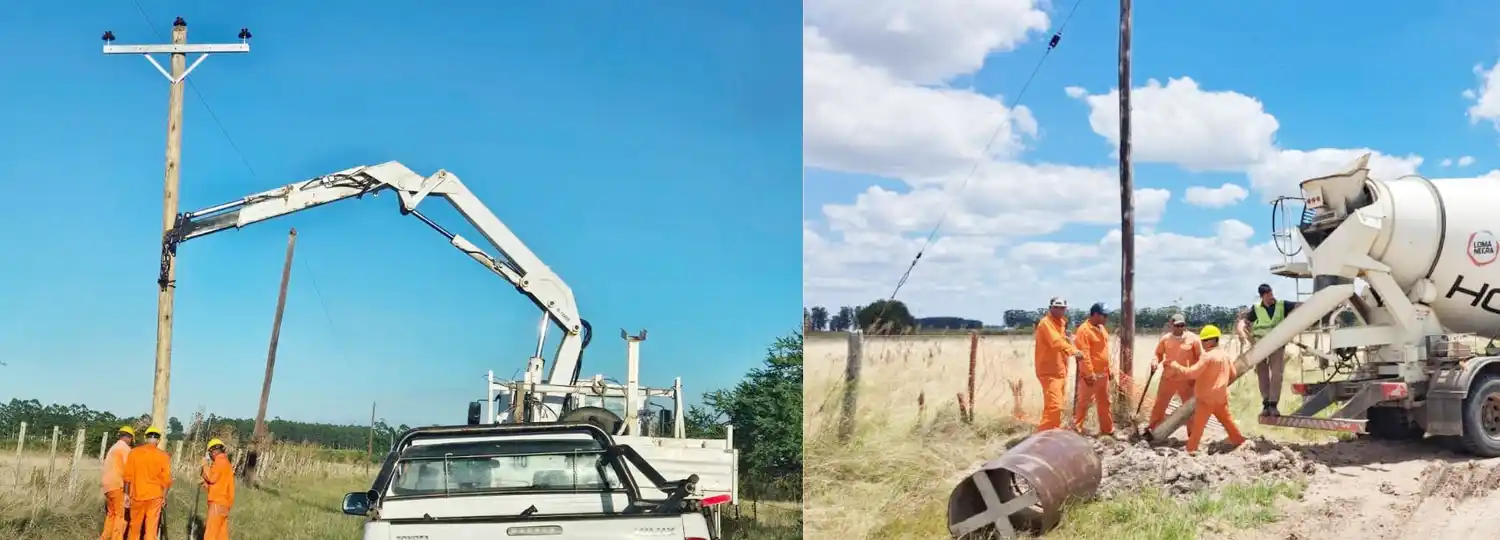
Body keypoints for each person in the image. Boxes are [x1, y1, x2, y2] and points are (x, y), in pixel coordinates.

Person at [1167, 324, 1247, 453]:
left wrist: (1176, 366)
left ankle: (1191, 449)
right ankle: (1239, 440)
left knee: (1198, 426)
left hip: (1206, 398)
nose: (1202, 343)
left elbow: (1192, 373)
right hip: (1221, 397)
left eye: (1204, 340)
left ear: (1212, 340)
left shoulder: (1207, 356)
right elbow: (1233, 374)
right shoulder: (1225, 356)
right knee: (1227, 421)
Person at [1236, 283, 1301, 417]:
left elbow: (1299, 306)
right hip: (1260, 346)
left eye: (1272, 294)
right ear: (1262, 296)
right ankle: (1266, 404)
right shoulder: (1257, 309)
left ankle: (1273, 404)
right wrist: (1241, 332)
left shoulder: (1282, 305)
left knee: (1277, 374)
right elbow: (1243, 322)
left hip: (1277, 345)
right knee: (1262, 375)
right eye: (1269, 295)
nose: (1272, 297)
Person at [1146, 314, 1202, 437]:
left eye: (1182, 325)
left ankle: (1193, 434)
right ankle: (1153, 430)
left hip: (1186, 379)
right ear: (1171, 325)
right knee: (1160, 405)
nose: (1180, 328)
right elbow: (1158, 354)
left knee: (1189, 408)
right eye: (1177, 325)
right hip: (1168, 378)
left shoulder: (1193, 339)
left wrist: (1196, 376)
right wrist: (1155, 361)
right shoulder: (1165, 339)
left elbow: (1200, 358)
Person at [1034, 297, 1085, 431]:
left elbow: (1063, 341)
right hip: (1049, 371)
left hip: (1060, 370)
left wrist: (1073, 341)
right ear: (1050, 308)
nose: (1059, 310)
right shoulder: (1046, 323)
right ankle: (1045, 437)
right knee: (1055, 406)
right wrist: (1073, 350)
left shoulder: (1061, 324)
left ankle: (1049, 433)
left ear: (1065, 309)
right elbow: (1056, 342)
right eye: (1056, 307)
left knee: (1053, 406)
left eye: (1062, 308)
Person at [124, 426, 172, 540]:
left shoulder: (134, 453)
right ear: (158, 440)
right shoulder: (164, 456)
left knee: (134, 527)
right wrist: (164, 497)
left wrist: (126, 494)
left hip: (137, 496)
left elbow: (127, 477)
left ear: (146, 438)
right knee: (151, 529)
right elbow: (167, 480)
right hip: (155, 497)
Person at [1071, 303, 1113, 436]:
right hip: (1091, 376)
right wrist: (1089, 374)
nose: (1106, 318)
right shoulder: (1084, 330)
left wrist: (1109, 369)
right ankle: (1076, 430)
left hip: (1104, 374)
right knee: (1084, 403)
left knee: (1105, 403)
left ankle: (1107, 430)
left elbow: (1104, 351)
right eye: (1104, 315)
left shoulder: (1102, 329)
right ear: (1095, 314)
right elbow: (1085, 354)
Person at [99, 426, 135, 540]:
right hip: (118, 486)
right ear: (129, 437)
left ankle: (104, 537)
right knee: (121, 516)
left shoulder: (113, 448)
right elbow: (128, 472)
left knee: (111, 514)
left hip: (107, 487)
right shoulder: (126, 450)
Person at [201, 438, 236, 540]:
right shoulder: (226, 462)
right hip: (225, 504)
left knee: (210, 535)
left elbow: (212, 478)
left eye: (210, 453)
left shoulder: (219, 461)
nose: (210, 456)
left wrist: (204, 465)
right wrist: (206, 483)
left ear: (214, 451)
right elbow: (218, 481)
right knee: (221, 535)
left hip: (217, 503)